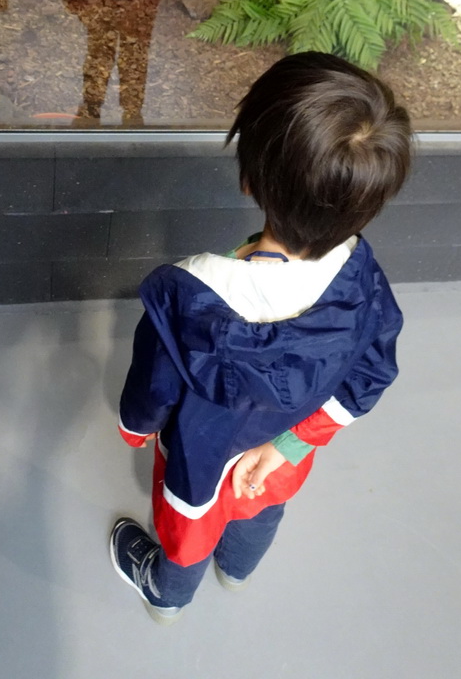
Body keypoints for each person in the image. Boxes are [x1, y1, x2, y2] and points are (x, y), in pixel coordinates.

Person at [110, 51, 412, 624]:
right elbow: (373, 370)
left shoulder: (184, 295)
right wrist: (292, 443)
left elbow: (153, 387)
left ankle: (167, 595)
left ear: (251, 179)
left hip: (201, 461)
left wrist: (135, 430)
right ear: (366, 202)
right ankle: (239, 570)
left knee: (188, 532)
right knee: (261, 507)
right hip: (282, 452)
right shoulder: (362, 276)